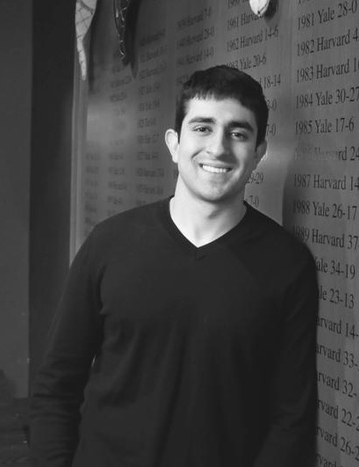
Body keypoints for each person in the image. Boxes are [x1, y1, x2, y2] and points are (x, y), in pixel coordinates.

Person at [30, 65, 319, 467]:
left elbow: (292, 418)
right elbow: (57, 386)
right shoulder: (109, 243)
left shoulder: (288, 264)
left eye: (238, 133)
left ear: (258, 152)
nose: (218, 148)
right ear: (174, 143)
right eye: (202, 128)